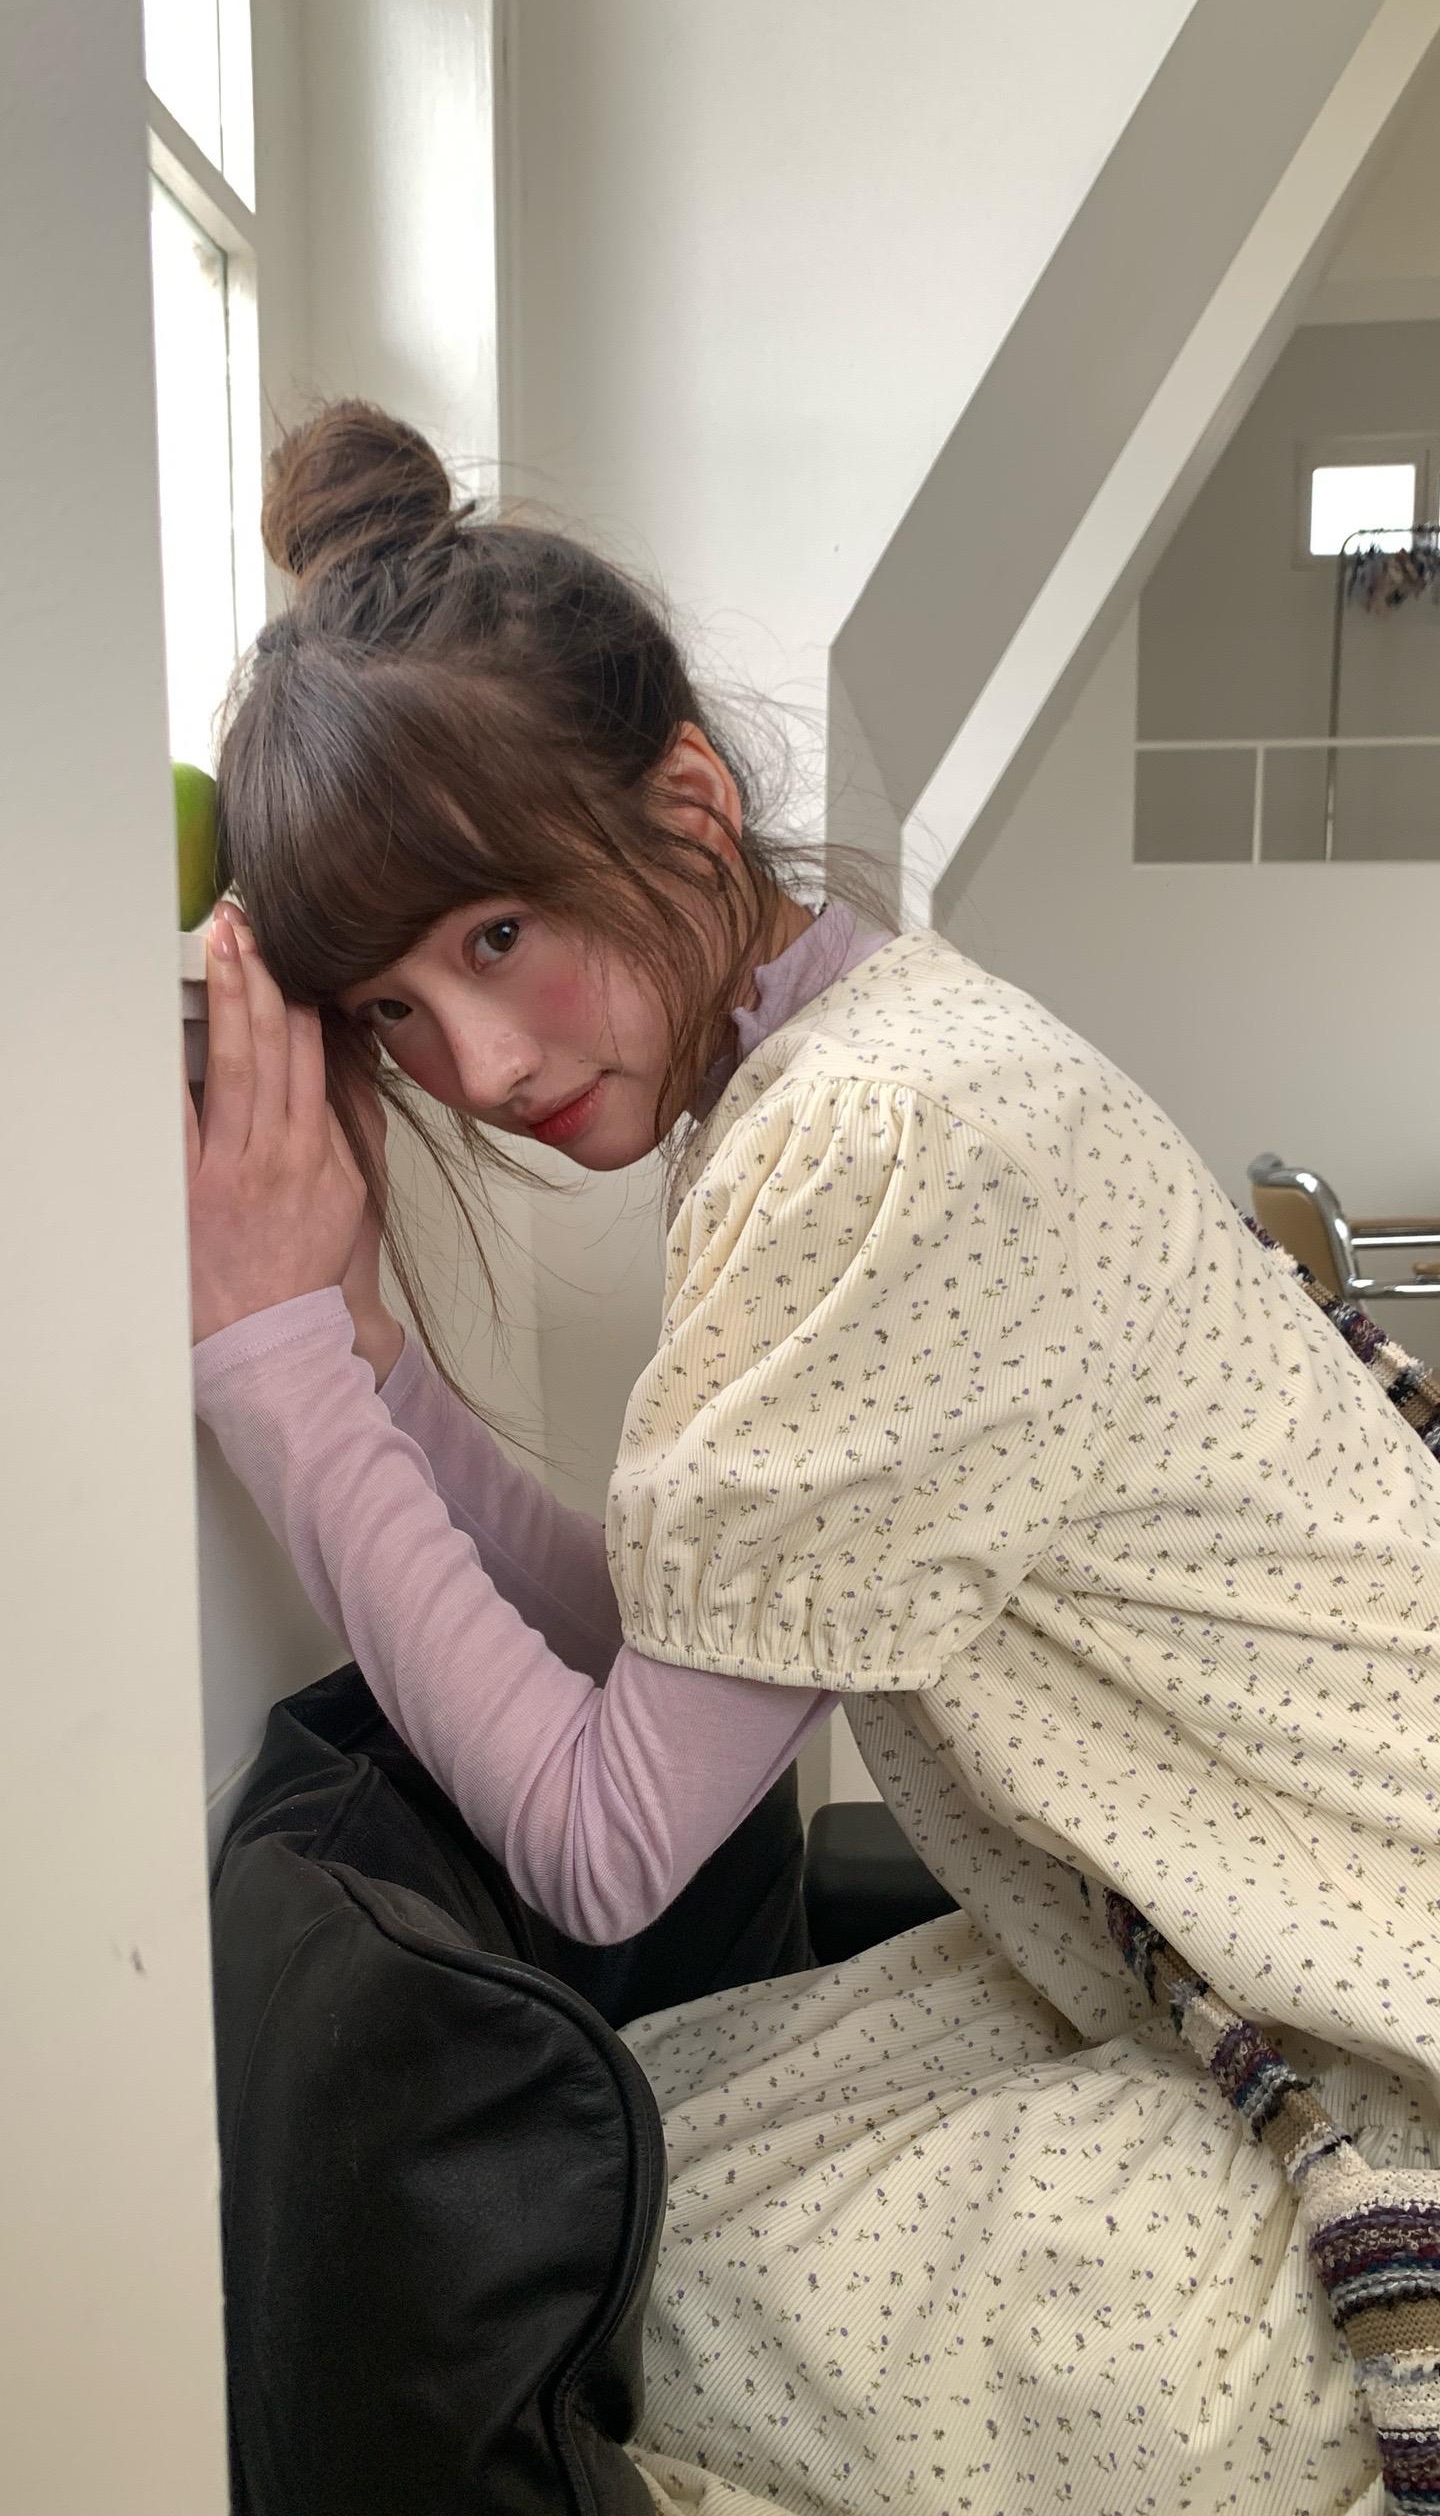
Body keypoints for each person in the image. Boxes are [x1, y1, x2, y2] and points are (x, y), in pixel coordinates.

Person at [186, 400, 1440, 2516]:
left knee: (575, 2296)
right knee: (645, 2145)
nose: (474, 1064)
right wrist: (368, 1368)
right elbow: (674, 1638)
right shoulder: (847, 1064)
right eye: (391, 1010)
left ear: (688, 804)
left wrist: (271, 1370)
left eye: (494, 936)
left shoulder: (876, 1140)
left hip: (1385, 2032)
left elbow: (606, 1844)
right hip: (1257, 1956)